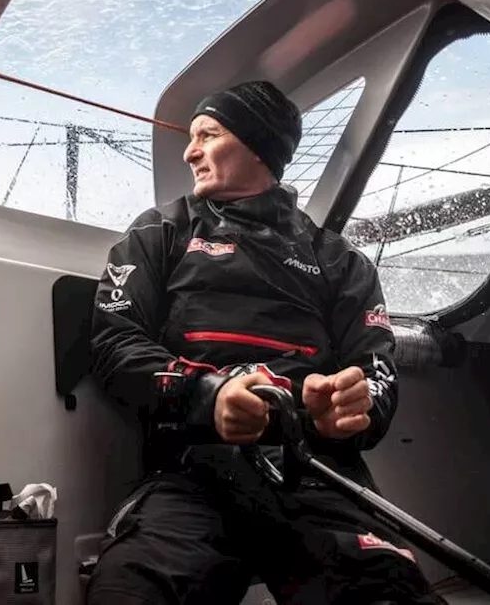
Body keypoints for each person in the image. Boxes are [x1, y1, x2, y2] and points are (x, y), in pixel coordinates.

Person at [86, 81, 445, 604]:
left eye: (207, 135)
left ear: (257, 147)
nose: (190, 151)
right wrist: (207, 395)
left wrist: (353, 404)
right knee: (129, 591)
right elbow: (115, 343)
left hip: (318, 472)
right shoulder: (163, 230)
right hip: (192, 472)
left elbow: (377, 368)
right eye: (192, 138)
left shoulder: (338, 260)